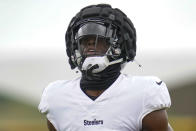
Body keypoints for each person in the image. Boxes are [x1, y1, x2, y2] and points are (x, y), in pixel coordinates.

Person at [38, 4, 173, 131]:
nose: (90, 44)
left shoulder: (144, 93)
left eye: (100, 40)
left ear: (120, 46)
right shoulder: (57, 97)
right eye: (85, 40)